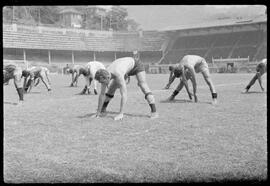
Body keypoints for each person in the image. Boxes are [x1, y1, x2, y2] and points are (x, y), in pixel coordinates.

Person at [92, 55, 159, 120]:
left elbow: (124, 94)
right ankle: (102, 110)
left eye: (102, 82)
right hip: (125, 67)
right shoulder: (105, 74)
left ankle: (154, 111)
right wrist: (98, 112)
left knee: (142, 84)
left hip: (136, 64)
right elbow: (102, 94)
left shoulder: (118, 73)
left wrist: (121, 113)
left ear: (107, 78)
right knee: (111, 88)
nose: (101, 84)